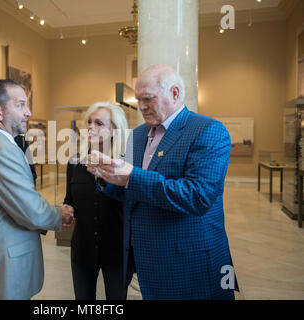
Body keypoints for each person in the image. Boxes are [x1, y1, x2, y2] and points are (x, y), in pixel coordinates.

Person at [87, 64, 238, 300]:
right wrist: (108, 178)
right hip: (147, 262)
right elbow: (132, 191)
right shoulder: (137, 135)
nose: (142, 106)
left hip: (190, 263)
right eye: (138, 100)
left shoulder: (209, 131)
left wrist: (131, 176)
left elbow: (198, 197)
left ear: (175, 93)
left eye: (148, 98)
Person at [0, 79, 74, 300]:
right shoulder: (2, 148)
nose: (28, 112)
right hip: (2, 260)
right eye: (20, 105)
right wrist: (58, 214)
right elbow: (30, 209)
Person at [64, 102, 128, 300]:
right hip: (82, 250)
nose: (90, 127)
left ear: (114, 131)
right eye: (89, 122)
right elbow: (70, 200)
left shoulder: (126, 166)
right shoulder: (75, 163)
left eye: (99, 123)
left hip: (117, 253)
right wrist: (65, 210)